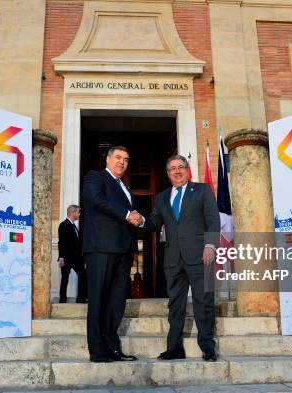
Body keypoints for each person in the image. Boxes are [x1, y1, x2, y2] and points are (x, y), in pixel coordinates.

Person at [139, 154, 220, 361]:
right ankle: (174, 348)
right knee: (175, 305)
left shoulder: (202, 190)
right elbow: (155, 223)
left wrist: (210, 246)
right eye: (172, 168)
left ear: (186, 168)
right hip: (173, 259)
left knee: (205, 301)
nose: (177, 171)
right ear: (167, 174)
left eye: (180, 167)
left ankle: (207, 347)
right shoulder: (161, 197)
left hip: (202, 256)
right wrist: (140, 220)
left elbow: (213, 220)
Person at [82, 146, 143, 363]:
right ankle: (97, 351)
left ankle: (113, 347)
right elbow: (96, 199)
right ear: (107, 159)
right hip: (101, 248)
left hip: (123, 251)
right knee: (99, 300)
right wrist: (128, 214)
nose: (122, 162)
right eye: (117, 157)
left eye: (126, 159)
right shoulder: (95, 177)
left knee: (116, 302)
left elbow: (130, 221)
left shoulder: (125, 187)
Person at [57, 204, 87, 304]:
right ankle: (62, 300)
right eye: (78, 212)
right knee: (65, 279)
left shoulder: (74, 226)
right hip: (66, 258)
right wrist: (61, 258)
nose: (79, 214)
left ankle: (81, 299)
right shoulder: (63, 225)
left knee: (83, 275)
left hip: (76, 259)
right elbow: (61, 242)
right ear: (73, 212)